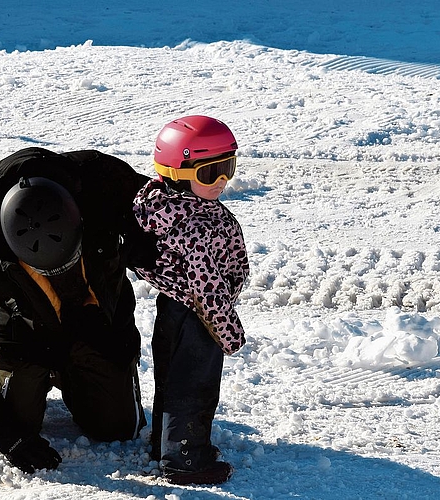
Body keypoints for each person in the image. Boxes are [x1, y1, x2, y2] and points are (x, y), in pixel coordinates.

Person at [0, 147, 155, 474]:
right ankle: (33, 374)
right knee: (17, 420)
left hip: (95, 325)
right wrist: (8, 437)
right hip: (22, 337)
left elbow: (180, 216)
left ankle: (76, 373)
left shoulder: (107, 188)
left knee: (120, 427)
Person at [131, 115, 250, 485]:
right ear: (177, 173)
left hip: (173, 307)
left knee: (171, 379)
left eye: (226, 169)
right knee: (194, 387)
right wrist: (227, 329)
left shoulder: (163, 205)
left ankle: (165, 444)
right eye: (208, 173)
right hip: (200, 314)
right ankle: (186, 460)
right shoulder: (195, 223)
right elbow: (206, 284)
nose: (221, 182)